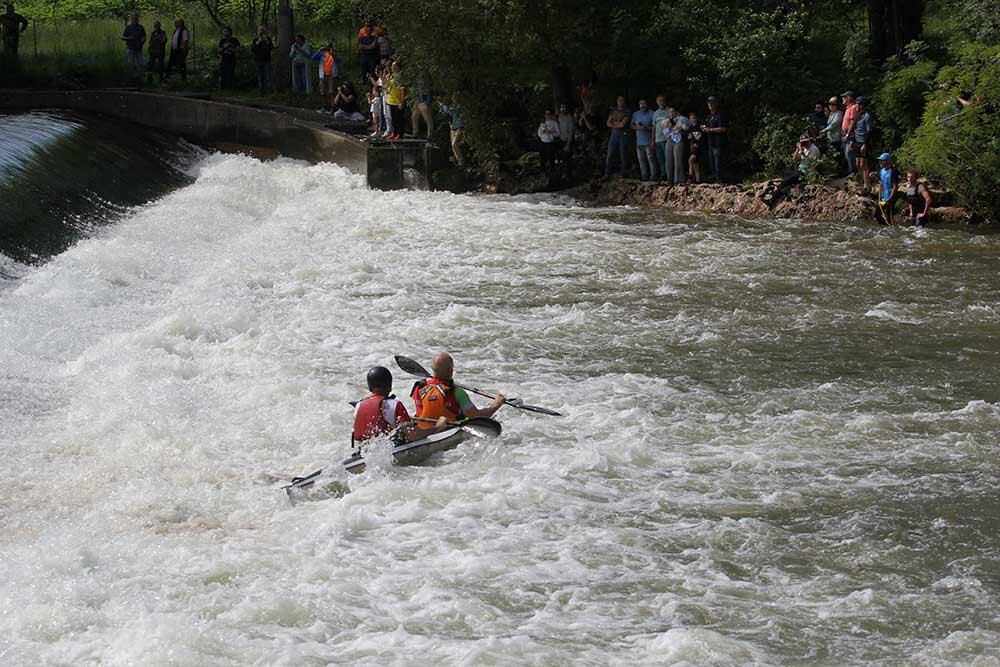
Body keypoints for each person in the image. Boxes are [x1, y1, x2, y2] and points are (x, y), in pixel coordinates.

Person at [353, 366, 447, 447]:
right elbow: (413, 435)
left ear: (370, 386)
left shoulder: (358, 406)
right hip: (388, 450)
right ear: (389, 385)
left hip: (364, 451)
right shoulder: (394, 405)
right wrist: (437, 427)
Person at [410, 353, 505, 425]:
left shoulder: (419, 387)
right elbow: (476, 417)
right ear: (450, 370)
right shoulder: (456, 391)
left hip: (422, 431)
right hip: (447, 430)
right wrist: (496, 405)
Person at [848, 96, 874, 190]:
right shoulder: (857, 115)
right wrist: (852, 141)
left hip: (863, 142)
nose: (856, 106)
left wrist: (865, 144)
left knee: (863, 164)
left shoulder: (867, 116)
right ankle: (863, 182)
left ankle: (867, 185)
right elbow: (855, 129)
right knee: (857, 164)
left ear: (862, 105)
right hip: (857, 142)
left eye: (858, 104)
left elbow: (869, 131)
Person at [631, 99, 658, 182]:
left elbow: (656, 127)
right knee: (641, 160)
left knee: (651, 159)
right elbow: (631, 125)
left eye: (644, 104)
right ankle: (644, 176)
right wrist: (637, 127)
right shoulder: (636, 114)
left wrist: (646, 128)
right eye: (641, 104)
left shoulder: (652, 113)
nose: (642, 105)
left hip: (649, 141)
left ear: (647, 104)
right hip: (639, 142)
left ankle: (654, 176)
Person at [663, 107, 690, 185]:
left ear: (676, 112)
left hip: (679, 139)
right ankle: (670, 180)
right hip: (670, 139)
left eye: (673, 111)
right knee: (668, 160)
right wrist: (669, 127)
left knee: (678, 159)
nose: (671, 113)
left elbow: (688, 126)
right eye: (670, 112)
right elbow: (664, 132)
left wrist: (681, 126)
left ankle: (679, 180)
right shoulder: (667, 120)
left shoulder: (681, 118)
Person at [604, 95, 630, 177]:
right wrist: (617, 124)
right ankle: (607, 173)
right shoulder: (613, 110)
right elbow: (608, 123)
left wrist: (613, 123)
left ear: (624, 101)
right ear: (617, 101)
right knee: (609, 155)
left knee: (623, 155)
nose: (620, 101)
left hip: (623, 136)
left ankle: (623, 173)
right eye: (619, 100)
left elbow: (622, 124)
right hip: (613, 136)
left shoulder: (627, 111)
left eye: (622, 100)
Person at [704, 96, 728, 182]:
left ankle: (721, 180)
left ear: (715, 104)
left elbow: (723, 128)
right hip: (710, 143)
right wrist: (704, 129)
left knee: (719, 164)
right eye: (709, 103)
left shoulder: (720, 115)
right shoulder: (708, 116)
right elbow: (706, 127)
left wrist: (711, 130)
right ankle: (715, 180)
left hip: (718, 143)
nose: (710, 104)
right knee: (712, 164)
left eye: (712, 103)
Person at [311, 42, 339, 112]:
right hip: (322, 75)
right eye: (326, 47)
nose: (327, 49)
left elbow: (338, 60)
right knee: (323, 92)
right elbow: (313, 58)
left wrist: (332, 53)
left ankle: (333, 107)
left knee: (331, 92)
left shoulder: (334, 54)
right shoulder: (321, 54)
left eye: (328, 47)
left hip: (332, 75)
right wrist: (319, 51)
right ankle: (324, 107)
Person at [1, 2, 28, 72]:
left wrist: (21, 30)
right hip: (6, 36)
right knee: (6, 52)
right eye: (9, 9)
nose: (10, 10)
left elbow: (25, 22)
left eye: (11, 9)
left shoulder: (17, 16)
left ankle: (14, 67)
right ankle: (6, 67)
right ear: (7, 10)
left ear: (13, 9)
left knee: (14, 52)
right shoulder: (3, 16)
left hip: (14, 36)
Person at [121, 13, 146, 84]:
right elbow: (123, 37)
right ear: (131, 19)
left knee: (140, 64)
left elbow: (144, 36)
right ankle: (131, 79)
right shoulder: (128, 28)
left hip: (138, 48)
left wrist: (143, 40)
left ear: (138, 19)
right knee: (130, 64)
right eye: (133, 19)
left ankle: (140, 79)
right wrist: (129, 38)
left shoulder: (141, 27)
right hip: (130, 48)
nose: (135, 20)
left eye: (136, 19)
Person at [875, 152, 899, 225]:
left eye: (882, 160)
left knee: (889, 218)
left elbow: (895, 186)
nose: (880, 162)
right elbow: (881, 185)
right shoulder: (881, 171)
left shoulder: (893, 171)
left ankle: (890, 228)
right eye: (880, 160)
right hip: (883, 198)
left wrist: (890, 199)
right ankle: (885, 227)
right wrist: (879, 198)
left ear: (888, 161)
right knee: (877, 214)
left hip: (890, 198)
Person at [439, 99, 465, 166]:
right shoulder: (453, 106)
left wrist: (442, 105)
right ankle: (458, 161)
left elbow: (451, 110)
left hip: (460, 127)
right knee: (453, 146)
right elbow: (448, 112)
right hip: (453, 127)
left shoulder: (460, 106)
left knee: (454, 144)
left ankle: (461, 161)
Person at [383, 60, 405, 140]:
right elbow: (385, 84)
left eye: (394, 66)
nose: (392, 67)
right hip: (391, 100)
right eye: (392, 66)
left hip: (398, 101)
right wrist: (384, 74)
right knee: (393, 119)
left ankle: (400, 133)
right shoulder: (391, 76)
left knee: (399, 119)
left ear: (398, 67)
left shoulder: (400, 77)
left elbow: (403, 90)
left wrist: (402, 102)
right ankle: (394, 133)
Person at [652, 95, 670, 182]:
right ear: (657, 102)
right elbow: (654, 127)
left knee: (668, 158)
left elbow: (678, 120)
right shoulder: (655, 113)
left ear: (665, 101)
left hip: (666, 139)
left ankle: (670, 175)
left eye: (662, 101)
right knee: (660, 159)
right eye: (659, 101)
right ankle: (663, 175)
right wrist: (652, 140)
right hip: (657, 139)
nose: (661, 103)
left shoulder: (669, 111)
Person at [251, 25, 274, 94]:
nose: (261, 32)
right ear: (258, 31)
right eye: (260, 30)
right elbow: (253, 49)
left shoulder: (268, 39)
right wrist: (258, 42)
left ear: (265, 31)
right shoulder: (255, 40)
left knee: (268, 77)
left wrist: (266, 41)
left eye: (263, 30)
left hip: (267, 60)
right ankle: (261, 91)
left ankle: (269, 91)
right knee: (260, 77)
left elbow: (271, 48)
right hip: (258, 60)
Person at [411, 70, 434, 139]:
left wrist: (427, 102)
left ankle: (429, 136)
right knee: (414, 117)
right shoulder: (418, 81)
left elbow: (429, 91)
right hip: (418, 101)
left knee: (428, 120)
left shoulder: (427, 82)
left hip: (424, 102)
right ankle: (415, 134)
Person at [840, 91, 858, 176]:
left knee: (850, 153)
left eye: (844, 97)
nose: (843, 99)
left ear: (849, 98)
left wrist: (848, 134)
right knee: (846, 154)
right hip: (844, 132)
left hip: (849, 133)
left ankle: (853, 172)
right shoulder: (847, 108)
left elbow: (852, 122)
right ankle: (850, 171)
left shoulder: (853, 107)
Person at [537, 109, 561, 174]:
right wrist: (543, 133)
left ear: (551, 115)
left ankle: (553, 170)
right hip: (543, 142)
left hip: (550, 142)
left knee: (551, 157)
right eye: (546, 114)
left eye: (549, 114)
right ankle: (543, 170)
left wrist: (551, 132)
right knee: (542, 156)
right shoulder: (543, 122)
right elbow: (538, 133)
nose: (547, 116)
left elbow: (558, 133)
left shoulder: (554, 122)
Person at [822, 96, 844, 161]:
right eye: (829, 104)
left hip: (836, 140)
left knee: (836, 158)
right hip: (830, 139)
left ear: (837, 105)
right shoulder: (831, 113)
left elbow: (833, 125)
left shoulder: (839, 114)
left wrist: (824, 130)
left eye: (833, 104)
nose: (831, 106)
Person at [687, 111, 704, 184]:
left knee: (691, 160)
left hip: (699, 147)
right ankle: (698, 180)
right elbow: (689, 137)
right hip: (693, 148)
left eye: (694, 118)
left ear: (696, 118)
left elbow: (703, 137)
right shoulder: (690, 128)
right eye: (691, 118)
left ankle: (690, 177)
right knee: (695, 164)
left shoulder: (700, 126)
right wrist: (689, 138)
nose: (693, 119)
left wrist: (698, 143)